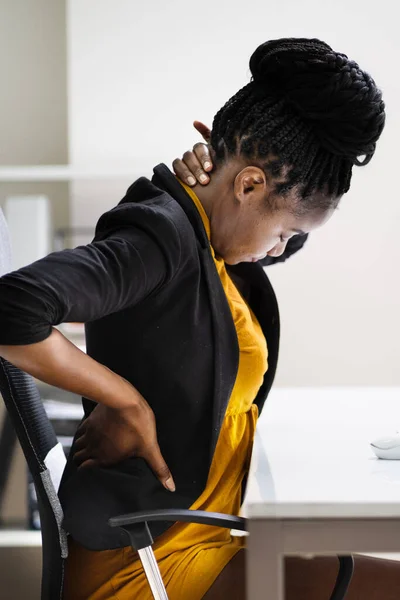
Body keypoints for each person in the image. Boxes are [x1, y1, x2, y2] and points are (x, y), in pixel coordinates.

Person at [0, 37, 397, 599]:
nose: (280, 251)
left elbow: (256, 234)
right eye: (285, 234)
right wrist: (124, 400)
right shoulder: (161, 237)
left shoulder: (207, 238)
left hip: (199, 541)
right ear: (249, 184)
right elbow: (13, 306)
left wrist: (234, 189)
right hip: (150, 566)